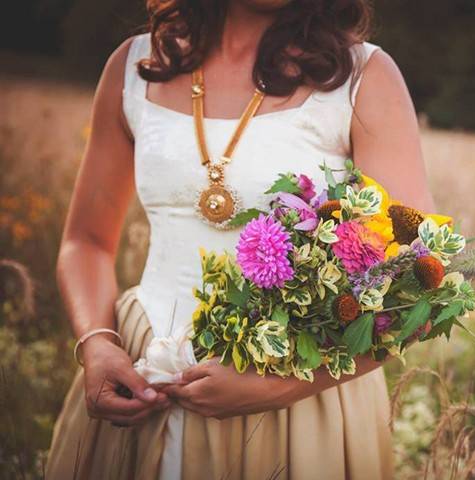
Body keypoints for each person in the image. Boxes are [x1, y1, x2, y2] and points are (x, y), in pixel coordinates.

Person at [46, 0, 436, 478]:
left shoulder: (364, 76)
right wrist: (98, 346)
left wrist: (282, 385)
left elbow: (418, 281)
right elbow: (85, 241)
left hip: (303, 400)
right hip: (142, 369)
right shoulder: (135, 66)